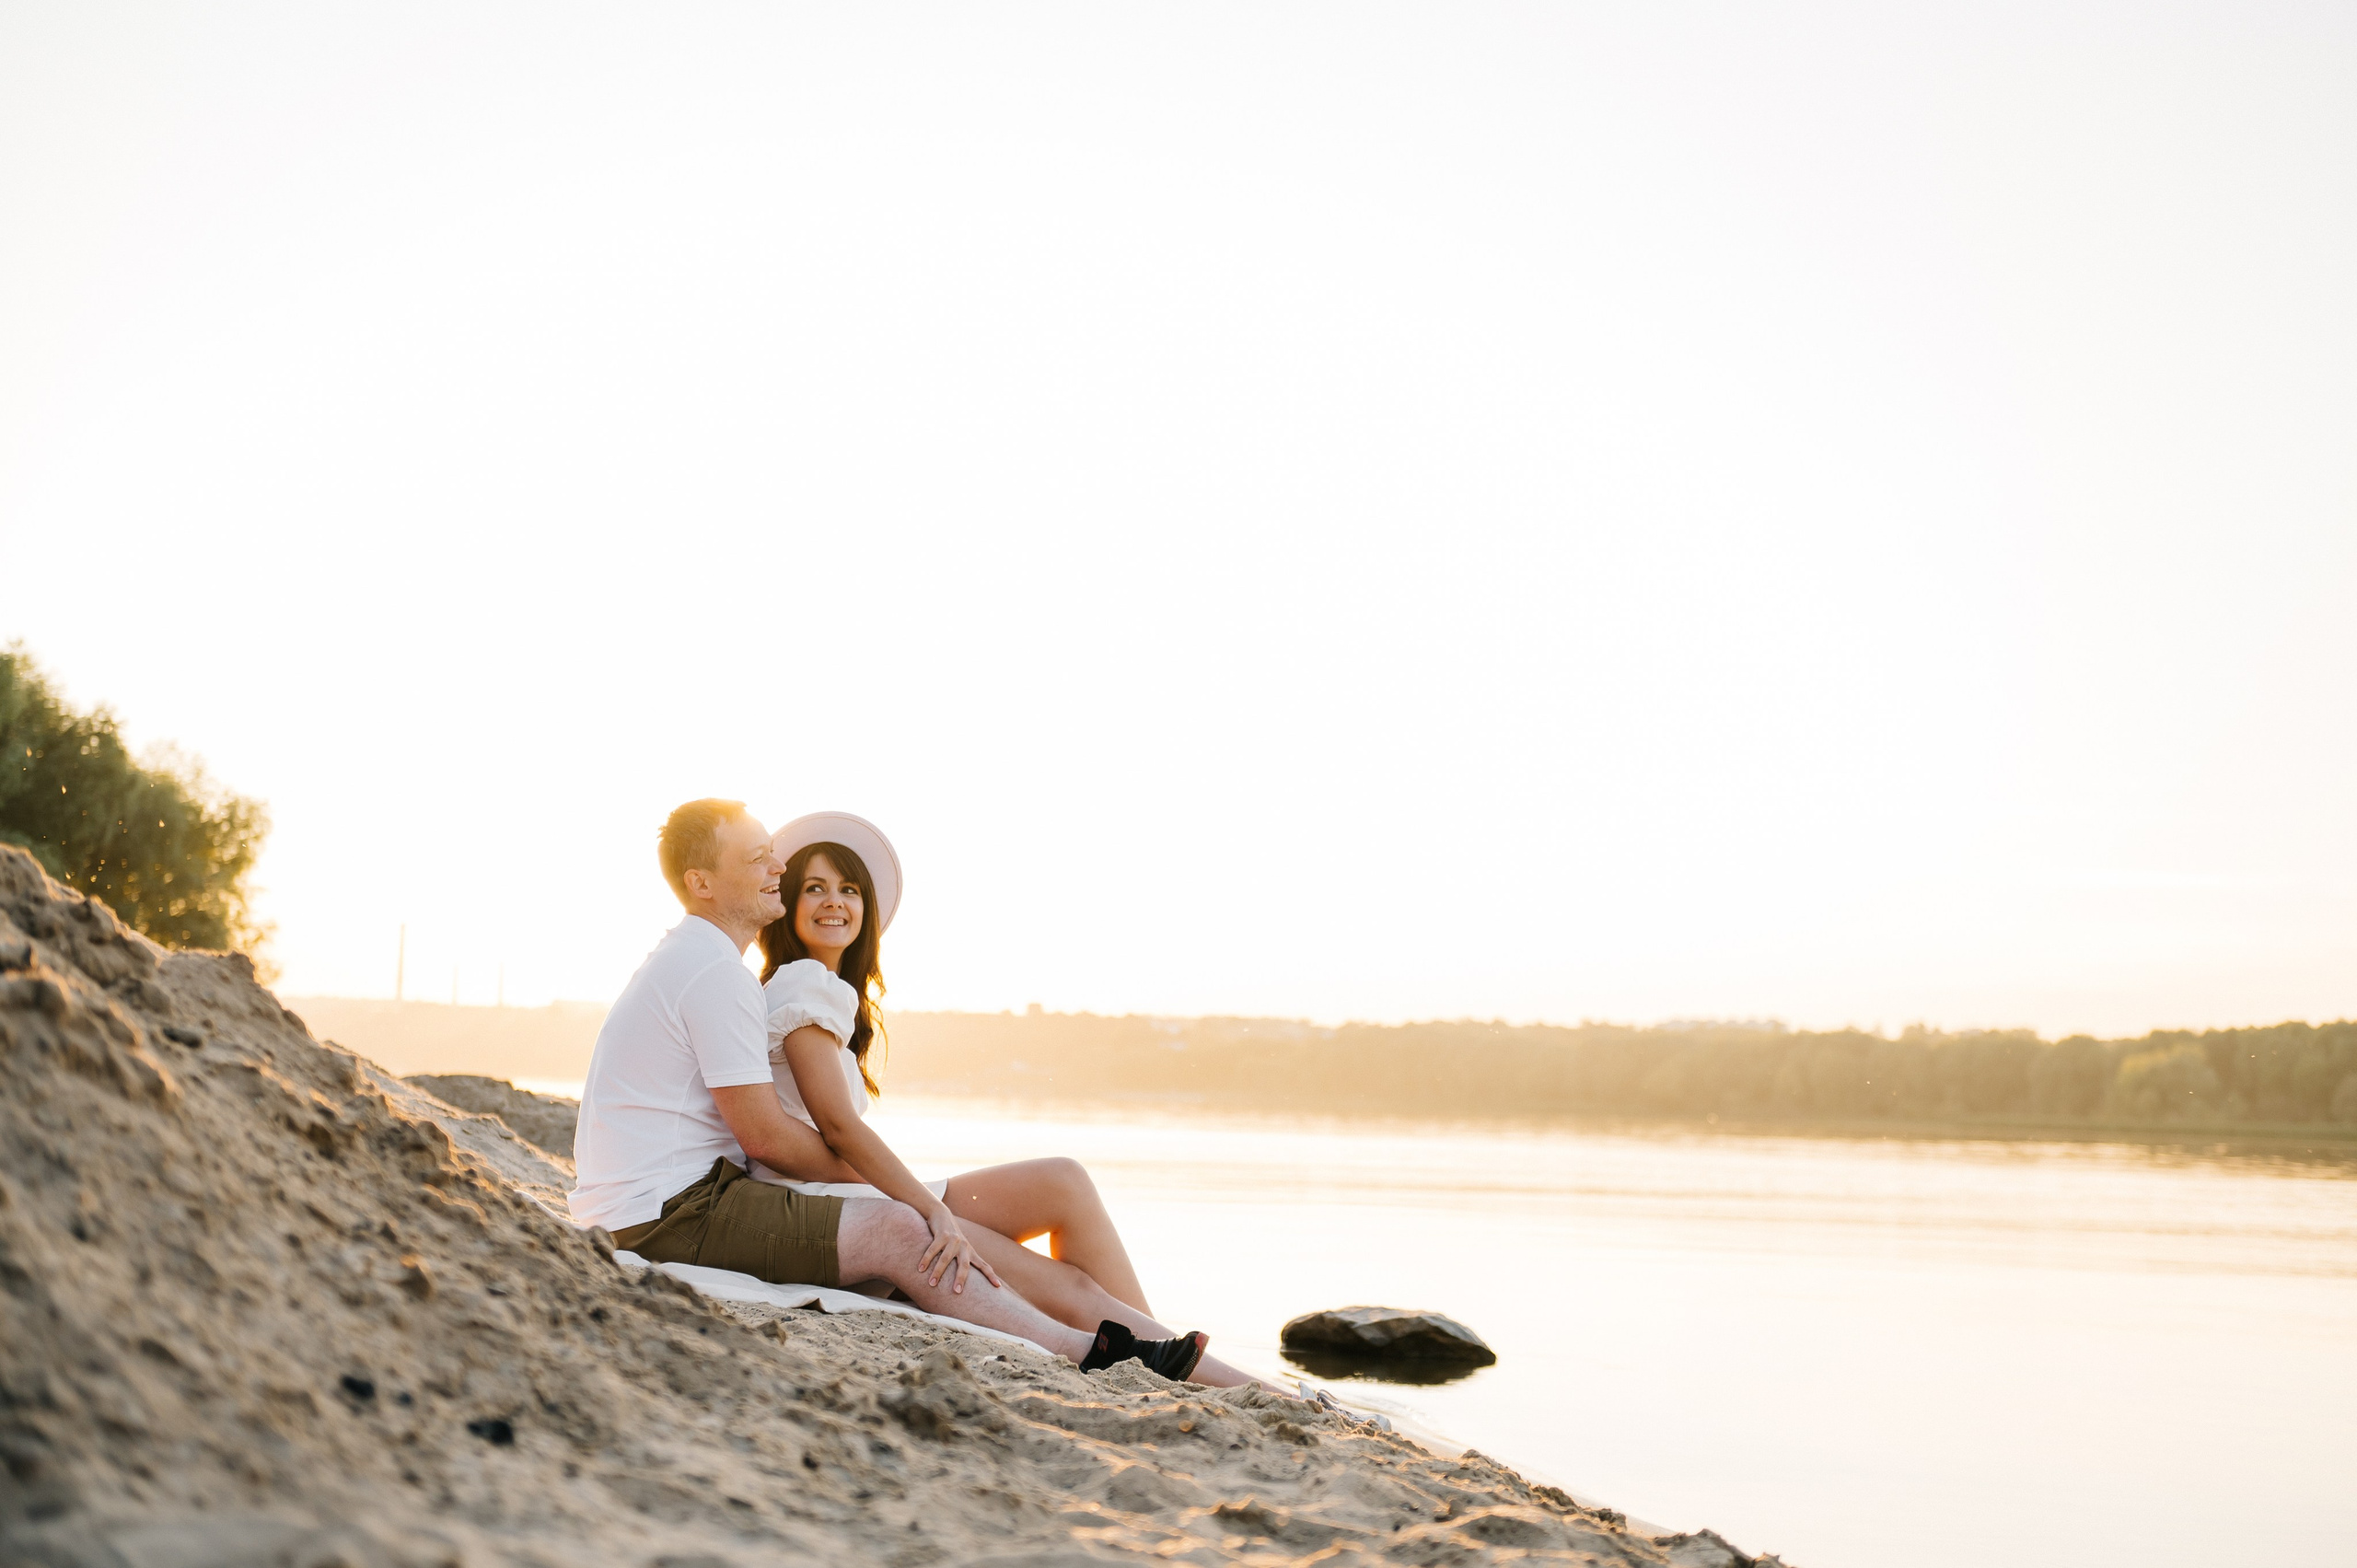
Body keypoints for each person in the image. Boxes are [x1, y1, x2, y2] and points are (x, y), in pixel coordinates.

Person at [568, 798, 1212, 1382]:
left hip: (664, 1200)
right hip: (669, 1212)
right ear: (701, 883)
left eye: (772, 852)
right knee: (903, 1229)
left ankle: (1123, 1343)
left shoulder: (701, 962)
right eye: (757, 856)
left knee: (920, 1219)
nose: (776, 866)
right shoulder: (715, 971)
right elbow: (764, 1135)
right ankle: (1087, 1350)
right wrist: (909, 1195)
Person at [753, 810, 1253, 1388]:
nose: (834, 901)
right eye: (814, 888)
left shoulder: (824, 988)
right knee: (1073, 1290)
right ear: (787, 902)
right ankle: (1218, 1381)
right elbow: (838, 1130)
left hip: (842, 1189)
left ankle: (1165, 1349)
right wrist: (931, 1208)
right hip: (831, 1212)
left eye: (848, 889)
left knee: (1063, 1180)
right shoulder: (802, 985)